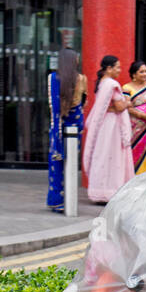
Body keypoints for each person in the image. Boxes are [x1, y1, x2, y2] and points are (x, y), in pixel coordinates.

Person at [82, 56, 135, 204]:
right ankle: (113, 191)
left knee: (103, 157)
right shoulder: (112, 84)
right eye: (117, 67)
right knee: (114, 158)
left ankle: (99, 191)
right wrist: (128, 102)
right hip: (113, 126)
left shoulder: (102, 83)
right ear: (109, 68)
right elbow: (119, 106)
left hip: (105, 125)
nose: (119, 70)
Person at [46, 47, 87, 212]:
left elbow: (54, 108)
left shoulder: (53, 78)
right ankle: (68, 200)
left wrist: (56, 129)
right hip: (74, 128)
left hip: (59, 127)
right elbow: (83, 104)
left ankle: (57, 200)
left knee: (56, 163)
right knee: (70, 163)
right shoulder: (81, 79)